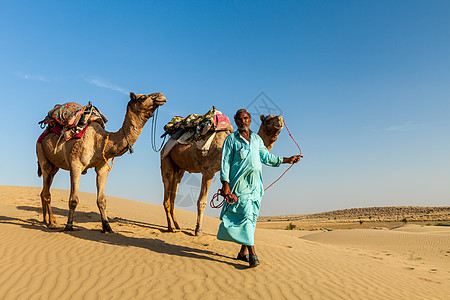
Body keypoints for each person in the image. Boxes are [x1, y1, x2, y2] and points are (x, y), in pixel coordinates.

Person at [217, 108, 301, 268]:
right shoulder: (231, 140)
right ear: (236, 121)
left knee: (252, 218)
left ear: (250, 120)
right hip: (239, 185)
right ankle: (253, 255)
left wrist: (287, 159)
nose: (243, 121)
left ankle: (242, 253)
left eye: (246, 118)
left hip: (256, 186)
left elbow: (266, 157)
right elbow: (225, 162)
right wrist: (225, 184)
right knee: (247, 215)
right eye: (240, 119)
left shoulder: (256, 139)